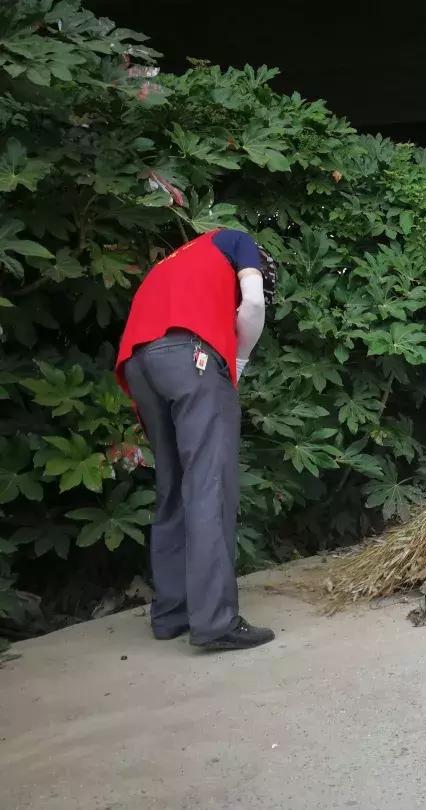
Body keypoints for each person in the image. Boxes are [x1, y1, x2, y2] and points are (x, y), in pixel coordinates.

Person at [115, 229, 277, 651]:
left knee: (173, 486)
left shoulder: (175, 260)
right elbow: (254, 302)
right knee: (209, 484)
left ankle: (173, 614)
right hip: (192, 355)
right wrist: (238, 360)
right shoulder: (237, 240)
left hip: (139, 362)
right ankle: (216, 622)